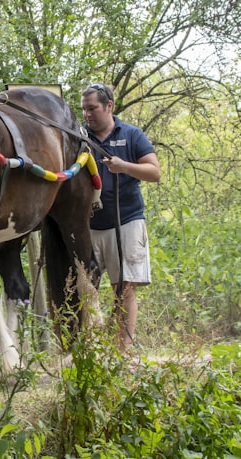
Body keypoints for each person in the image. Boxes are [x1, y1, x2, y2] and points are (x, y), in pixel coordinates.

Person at [80, 82, 161, 352]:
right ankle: (90, 349)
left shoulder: (132, 134)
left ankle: (122, 350)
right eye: (84, 110)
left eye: (92, 108)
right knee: (84, 287)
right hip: (89, 223)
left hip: (126, 220)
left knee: (124, 288)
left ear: (109, 106)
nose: (88, 115)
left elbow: (154, 172)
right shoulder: (80, 137)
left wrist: (123, 166)